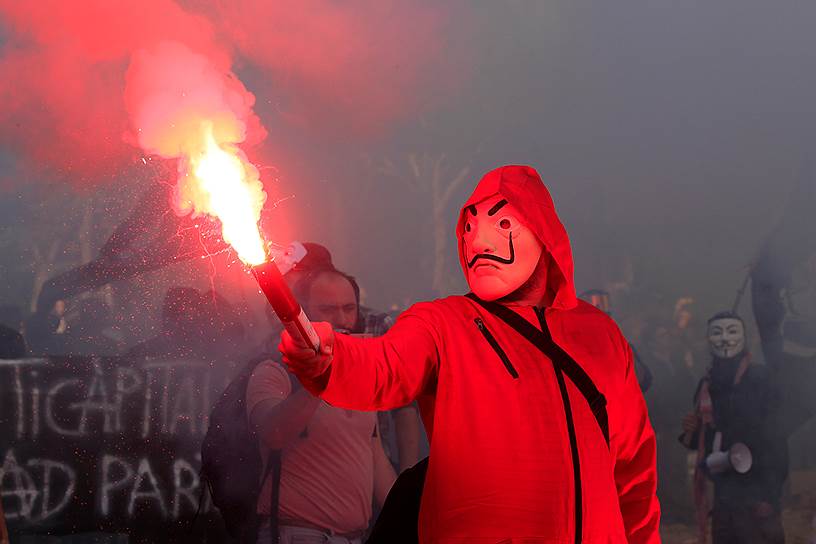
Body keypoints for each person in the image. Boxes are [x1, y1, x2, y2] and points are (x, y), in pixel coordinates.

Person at [280, 165, 660, 542]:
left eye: (504, 225)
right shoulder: (444, 323)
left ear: (544, 232)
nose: (479, 242)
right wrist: (325, 354)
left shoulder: (599, 333)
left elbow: (633, 468)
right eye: (469, 227)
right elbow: (383, 366)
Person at [247, 266, 397, 543]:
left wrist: (411, 522)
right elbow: (273, 433)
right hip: (297, 535)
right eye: (328, 309)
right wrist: (316, 381)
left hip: (355, 538)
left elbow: (375, 459)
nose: (342, 319)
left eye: (349, 308)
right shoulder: (273, 371)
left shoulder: (361, 376)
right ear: (302, 315)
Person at [680, 311, 788, 544]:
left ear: (744, 337)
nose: (725, 339)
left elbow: (776, 440)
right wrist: (693, 431)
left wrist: (769, 495)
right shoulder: (707, 383)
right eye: (717, 333)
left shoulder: (761, 378)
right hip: (724, 493)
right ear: (708, 339)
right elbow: (708, 437)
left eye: (732, 331)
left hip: (756, 488)